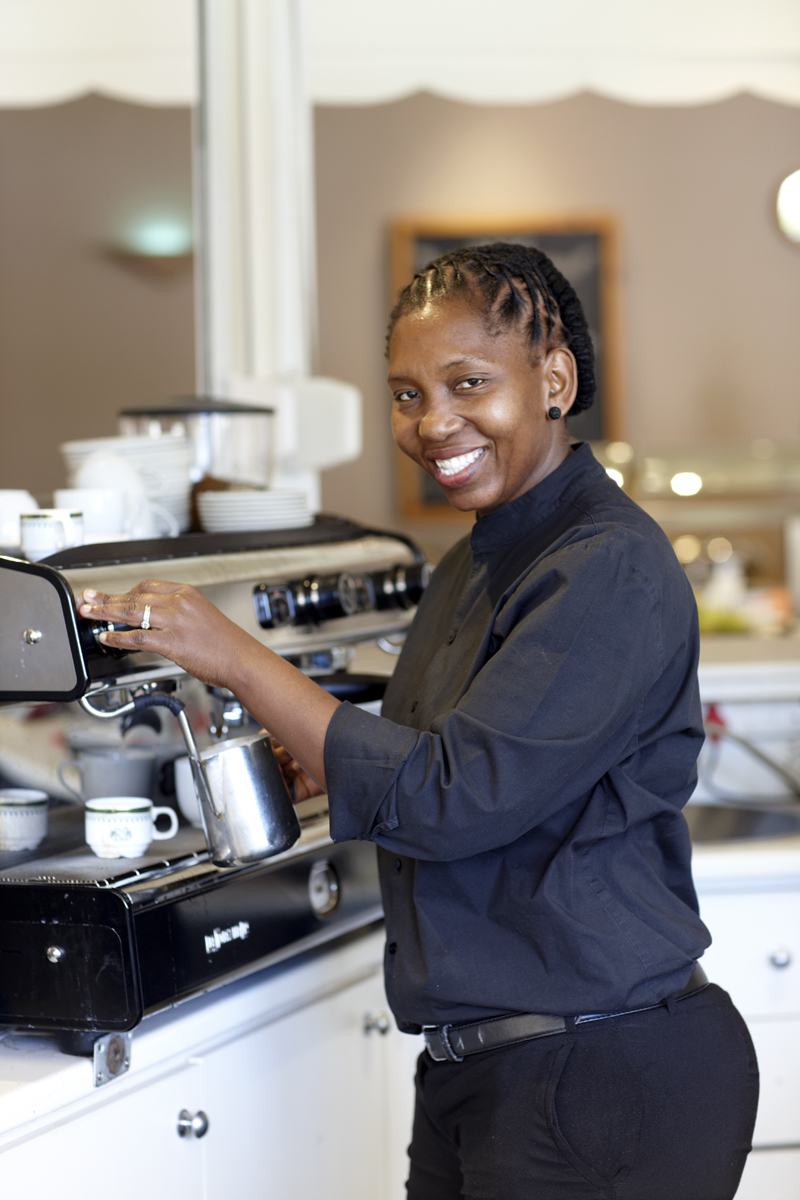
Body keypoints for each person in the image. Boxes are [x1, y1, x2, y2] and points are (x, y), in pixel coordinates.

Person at [78, 243, 758, 1199]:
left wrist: (229, 651)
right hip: (481, 1069)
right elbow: (443, 750)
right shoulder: (475, 562)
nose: (434, 422)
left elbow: (451, 796)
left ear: (554, 381)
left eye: (469, 383)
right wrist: (320, 754)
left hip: (598, 1073)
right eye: (408, 394)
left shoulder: (605, 566)